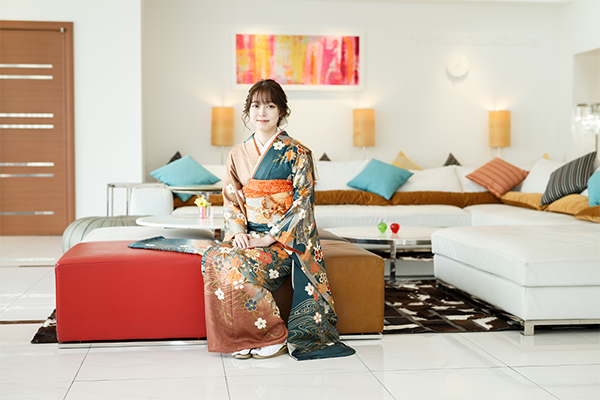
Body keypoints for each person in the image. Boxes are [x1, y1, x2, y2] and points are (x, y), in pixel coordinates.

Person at [201, 79, 355, 361]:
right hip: (249, 237)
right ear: (248, 110)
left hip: (285, 243)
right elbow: (231, 199)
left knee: (235, 264)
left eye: (270, 106)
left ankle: (272, 336)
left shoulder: (298, 153)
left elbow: (303, 205)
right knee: (214, 256)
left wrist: (267, 238)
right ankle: (246, 337)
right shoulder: (237, 154)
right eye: (256, 105)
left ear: (281, 111)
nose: (262, 112)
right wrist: (238, 232)